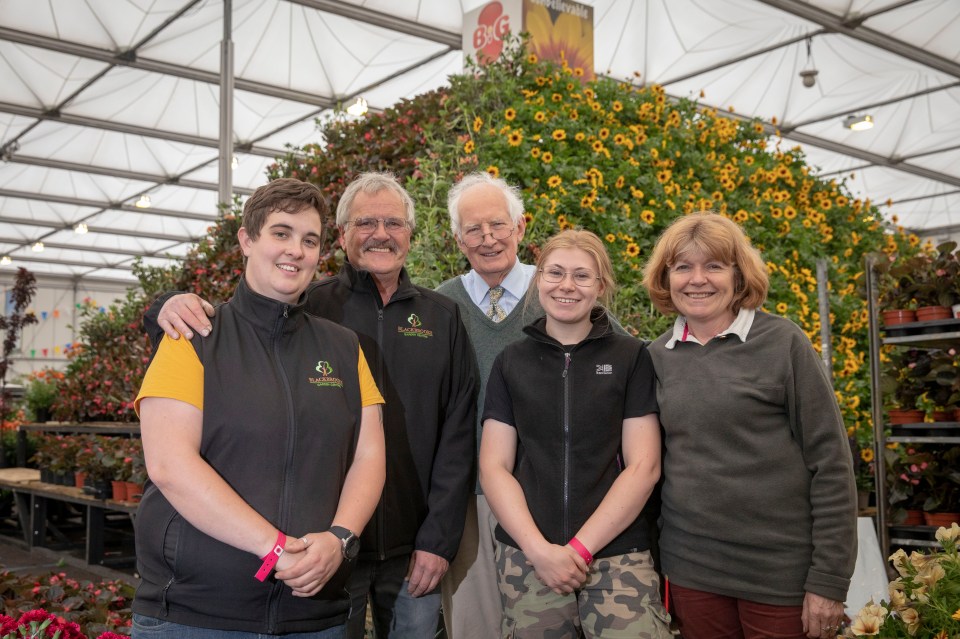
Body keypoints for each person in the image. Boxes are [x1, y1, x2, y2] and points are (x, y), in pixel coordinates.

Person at [145, 172, 478, 639]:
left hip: (387, 547)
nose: (381, 233)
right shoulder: (312, 302)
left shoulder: (435, 318)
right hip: (260, 582)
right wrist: (164, 305)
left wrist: (431, 538)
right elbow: (172, 456)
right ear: (341, 238)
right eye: (366, 221)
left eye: (394, 223)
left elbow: (455, 434)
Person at [132, 178, 386, 638]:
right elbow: (170, 465)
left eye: (309, 240)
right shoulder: (193, 336)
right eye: (281, 233)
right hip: (196, 614)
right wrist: (275, 548)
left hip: (316, 614)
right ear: (247, 241)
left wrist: (339, 539)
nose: (296, 250)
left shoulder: (345, 348)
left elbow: (369, 458)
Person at [641, 211, 857, 639]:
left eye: (714, 266)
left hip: (780, 574)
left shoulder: (782, 343)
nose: (697, 279)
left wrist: (828, 581)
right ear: (665, 279)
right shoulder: (654, 357)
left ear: (739, 277)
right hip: (692, 572)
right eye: (682, 267)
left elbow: (831, 465)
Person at [436, 172, 631, 639]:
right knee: (476, 627)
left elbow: (627, 368)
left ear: (521, 228)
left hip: (563, 495)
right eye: (474, 230)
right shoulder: (442, 306)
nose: (488, 239)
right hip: (473, 502)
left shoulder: (563, 292)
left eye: (498, 225)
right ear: (456, 239)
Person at [479, 229, 672, 638]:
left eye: (582, 276)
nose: (567, 285)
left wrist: (580, 550)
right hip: (530, 557)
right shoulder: (510, 363)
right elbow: (494, 467)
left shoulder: (630, 357)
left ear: (600, 285)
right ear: (538, 280)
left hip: (618, 554)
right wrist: (538, 550)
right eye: (555, 272)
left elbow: (644, 466)